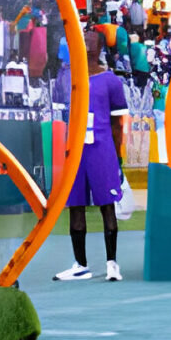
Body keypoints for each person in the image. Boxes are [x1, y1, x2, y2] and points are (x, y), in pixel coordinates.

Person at [52, 31, 130, 281]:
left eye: (90, 44)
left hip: (101, 149)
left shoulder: (111, 81)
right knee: (75, 205)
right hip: (76, 151)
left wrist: (117, 157)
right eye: (82, 43)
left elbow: (118, 123)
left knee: (107, 206)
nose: (85, 47)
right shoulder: (67, 78)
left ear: (99, 49)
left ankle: (112, 264)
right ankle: (80, 265)